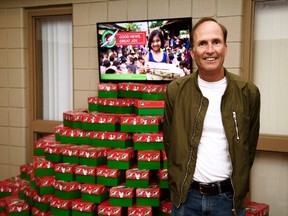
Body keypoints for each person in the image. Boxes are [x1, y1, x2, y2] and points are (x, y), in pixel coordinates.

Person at [163, 17, 260, 216]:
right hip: (186, 199)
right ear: (192, 52)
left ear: (225, 48)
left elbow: (248, 147)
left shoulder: (247, 92)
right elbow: (170, 143)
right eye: (202, 43)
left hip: (228, 201)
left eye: (216, 42)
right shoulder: (175, 91)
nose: (210, 50)